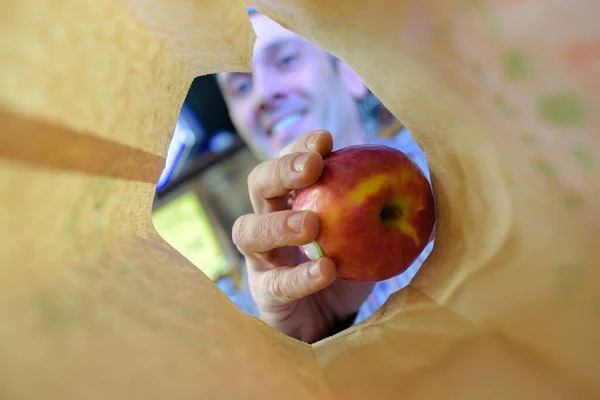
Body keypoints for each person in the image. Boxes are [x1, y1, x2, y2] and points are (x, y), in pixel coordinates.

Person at [215, 9, 433, 343]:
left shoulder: (456, 179)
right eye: (241, 86)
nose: (262, 94)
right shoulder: (260, 310)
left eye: (286, 60)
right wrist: (314, 346)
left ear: (351, 70)